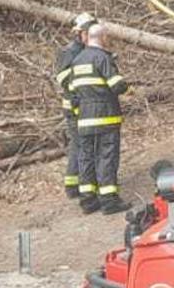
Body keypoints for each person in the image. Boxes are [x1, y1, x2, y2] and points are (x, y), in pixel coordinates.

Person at [62, 23, 129, 214]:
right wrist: (126, 86)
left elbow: (72, 93)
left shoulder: (77, 61)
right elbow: (117, 86)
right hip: (106, 118)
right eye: (107, 37)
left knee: (86, 159)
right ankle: (109, 201)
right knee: (106, 157)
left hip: (84, 120)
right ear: (102, 38)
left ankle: (88, 201)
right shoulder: (102, 58)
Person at [55, 13, 92, 204]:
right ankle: (72, 185)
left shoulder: (86, 50)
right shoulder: (70, 51)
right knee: (78, 145)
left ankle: (81, 182)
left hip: (85, 104)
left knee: (84, 145)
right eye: (88, 31)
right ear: (79, 33)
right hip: (73, 105)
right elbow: (62, 78)